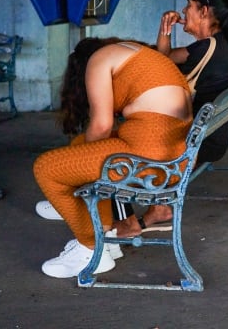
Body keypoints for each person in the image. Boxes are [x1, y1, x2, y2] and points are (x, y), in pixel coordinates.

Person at [112, 0, 228, 236]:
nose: (183, 11)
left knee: (115, 143)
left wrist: (164, 31)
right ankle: (150, 209)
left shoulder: (207, 48)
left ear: (204, 11)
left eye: (189, 5)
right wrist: (165, 29)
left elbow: (161, 64)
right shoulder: (222, 44)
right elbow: (167, 60)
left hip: (194, 141)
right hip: (211, 136)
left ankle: (125, 220)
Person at [33, 38, 193, 278]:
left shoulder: (97, 62)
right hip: (174, 154)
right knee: (79, 147)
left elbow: (102, 125)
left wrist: (79, 165)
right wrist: (81, 155)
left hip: (151, 160)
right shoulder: (131, 52)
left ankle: (91, 249)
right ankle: (107, 240)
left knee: (46, 168)